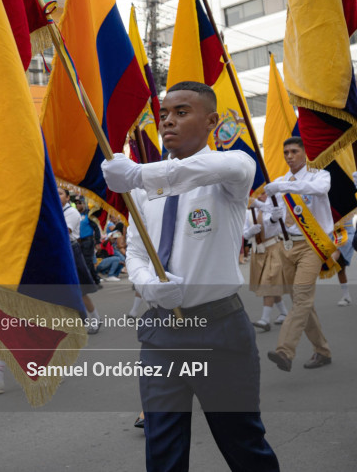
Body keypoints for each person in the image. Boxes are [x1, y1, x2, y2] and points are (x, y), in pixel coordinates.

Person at [101, 81, 279, 472]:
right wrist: (149, 285)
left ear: (212, 121)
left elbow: (212, 167)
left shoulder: (232, 170)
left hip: (218, 331)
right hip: (161, 336)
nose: (168, 122)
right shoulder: (145, 192)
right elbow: (135, 250)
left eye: (182, 112)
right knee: (162, 451)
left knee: (244, 445)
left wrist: (138, 173)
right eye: (164, 114)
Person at [264, 137, 333, 371]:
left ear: (305, 153)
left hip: (312, 244)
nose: (289, 156)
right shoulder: (280, 182)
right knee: (301, 303)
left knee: (302, 297)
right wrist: (272, 216)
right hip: (288, 246)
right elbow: (270, 224)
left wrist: (284, 187)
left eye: (294, 151)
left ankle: (285, 351)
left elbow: (319, 190)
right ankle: (322, 351)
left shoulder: (318, 175)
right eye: (286, 152)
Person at [58, 186, 101, 334]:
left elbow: (63, 231)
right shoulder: (56, 211)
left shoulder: (71, 212)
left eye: (61, 194)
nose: (57, 196)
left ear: (68, 197)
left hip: (71, 250)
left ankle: (95, 318)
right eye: (55, 194)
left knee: (80, 289)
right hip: (59, 251)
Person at [245, 194, 289, 331]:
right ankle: (284, 313)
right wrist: (249, 232)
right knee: (271, 283)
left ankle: (265, 320)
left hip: (274, 248)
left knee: (268, 282)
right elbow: (244, 233)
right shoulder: (247, 213)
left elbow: (278, 227)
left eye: (263, 192)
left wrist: (272, 218)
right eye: (257, 192)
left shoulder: (275, 208)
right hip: (258, 251)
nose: (260, 195)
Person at [335, 213, 354, 306]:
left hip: (349, 233)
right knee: (340, 266)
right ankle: (346, 296)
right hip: (334, 233)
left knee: (339, 263)